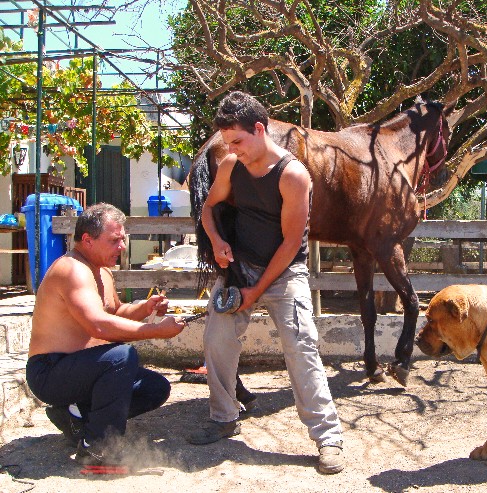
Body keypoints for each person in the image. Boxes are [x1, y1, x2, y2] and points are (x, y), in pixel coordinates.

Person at [188, 91, 344, 474]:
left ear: (259, 129)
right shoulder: (229, 166)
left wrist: (255, 293)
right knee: (217, 339)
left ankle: (328, 439)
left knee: (301, 346)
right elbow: (209, 209)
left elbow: (292, 243)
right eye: (228, 144)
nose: (234, 149)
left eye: (238, 141)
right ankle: (224, 417)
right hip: (240, 266)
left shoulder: (293, 175)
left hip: (284, 272)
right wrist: (219, 242)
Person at [25, 203, 186, 465]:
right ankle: (97, 448)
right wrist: (155, 331)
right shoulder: (72, 269)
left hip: (81, 370)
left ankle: (75, 416)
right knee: (121, 357)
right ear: (87, 240)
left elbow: (115, 312)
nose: (122, 247)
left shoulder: (102, 272)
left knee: (154, 388)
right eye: (114, 240)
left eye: (122, 240)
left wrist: (144, 308)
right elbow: (98, 326)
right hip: (49, 372)